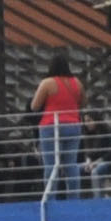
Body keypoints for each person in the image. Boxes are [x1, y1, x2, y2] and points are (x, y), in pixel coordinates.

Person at [33, 56, 86, 202]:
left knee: (51, 165)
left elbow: (34, 106)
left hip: (51, 125)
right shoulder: (77, 83)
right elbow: (83, 102)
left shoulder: (47, 83)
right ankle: (74, 199)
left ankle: (50, 200)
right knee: (71, 164)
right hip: (73, 125)